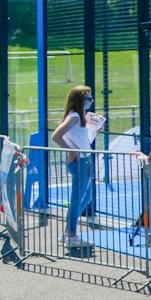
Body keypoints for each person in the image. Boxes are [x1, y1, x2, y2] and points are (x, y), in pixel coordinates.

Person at [51, 85, 104, 245]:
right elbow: (56, 135)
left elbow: (84, 140)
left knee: (86, 197)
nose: (91, 101)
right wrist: (71, 151)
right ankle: (72, 235)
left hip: (85, 160)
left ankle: (68, 231)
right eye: (88, 99)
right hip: (81, 162)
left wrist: (96, 130)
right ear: (80, 100)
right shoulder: (74, 116)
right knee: (76, 199)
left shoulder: (80, 117)